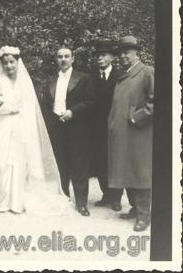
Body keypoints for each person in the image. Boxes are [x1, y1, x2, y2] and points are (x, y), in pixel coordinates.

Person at [0, 46, 70, 215]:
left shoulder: (25, 81)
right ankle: (1, 201)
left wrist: (27, 129)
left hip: (21, 126)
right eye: (5, 63)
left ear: (17, 62)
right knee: (1, 161)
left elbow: (29, 109)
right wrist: (5, 109)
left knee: (19, 162)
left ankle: (16, 201)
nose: (9, 66)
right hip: (3, 126)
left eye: (12, 62)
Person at [108, 36, 154, 232]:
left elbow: (156, 102)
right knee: (126, 170)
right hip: (122, 133)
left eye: (127, 51)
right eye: (121, 52)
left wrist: (136, 117)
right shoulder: (124, 74)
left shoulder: (147, 72)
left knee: (140, 171)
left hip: (138, 133)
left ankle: (144, 216)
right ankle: (135, 209)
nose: (123, 56)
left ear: (137, 52)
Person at [42, 46, 95, 216]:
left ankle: (81, 204)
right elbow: (45, 105)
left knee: (79, 165)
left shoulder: (84, 78)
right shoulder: (50, 80)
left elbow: (91, 101)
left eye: (66, 56)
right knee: (60, 164)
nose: (63, 59)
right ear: (56, 60)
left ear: (73, 59)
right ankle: (63, 198)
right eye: (60, 57)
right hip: (57, 128)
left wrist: (73, 111)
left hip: (77, 127)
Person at [90, 40, 124, 212]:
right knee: (100, 160)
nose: (100, 58)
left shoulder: (120, 75)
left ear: (111, 57)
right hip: (96, 126)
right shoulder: (91, 75)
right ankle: (106, 194)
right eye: (98, 56)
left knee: (115, 161)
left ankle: (116, 197)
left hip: (115, 124)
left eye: (103, 55)